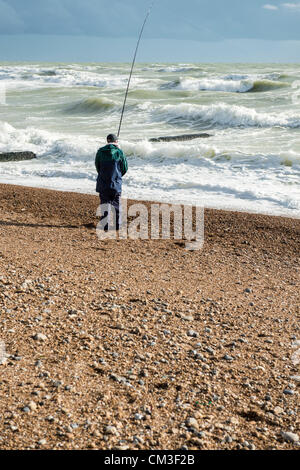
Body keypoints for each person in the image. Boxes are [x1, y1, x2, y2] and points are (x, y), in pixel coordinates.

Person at [95, 134, 128, 231]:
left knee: (105, 203)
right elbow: (124, 168)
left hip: (103, 183)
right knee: (116, 203)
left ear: (107, 141)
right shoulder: (119, 152)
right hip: (115, 183)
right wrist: (117, 176)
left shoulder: (100, 152)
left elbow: (98, 166)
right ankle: (118, 225)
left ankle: (105, 225)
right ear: (116, 141)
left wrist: (104, 175)